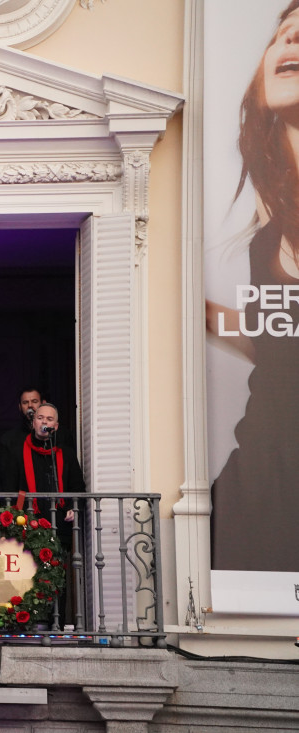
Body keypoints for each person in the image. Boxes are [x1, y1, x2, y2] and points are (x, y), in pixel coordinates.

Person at [206, 0, 299, 573]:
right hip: (258, 481)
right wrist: (190, 312)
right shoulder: (266, 233)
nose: (290, 46)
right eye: (284, 36)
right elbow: (276, 339)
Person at [0, 403, 85, 625]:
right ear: (33, 422)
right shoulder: (17, 450)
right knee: (27, 576)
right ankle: (28, 622)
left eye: (49, 419)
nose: (44, 422)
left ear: (55, 426)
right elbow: (8, 488)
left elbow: (78, 487)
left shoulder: (65, 453)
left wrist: (73, 508)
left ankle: (55, 623)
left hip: (60, 525)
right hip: (28, 523)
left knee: (56, 576)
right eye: (40, 418)